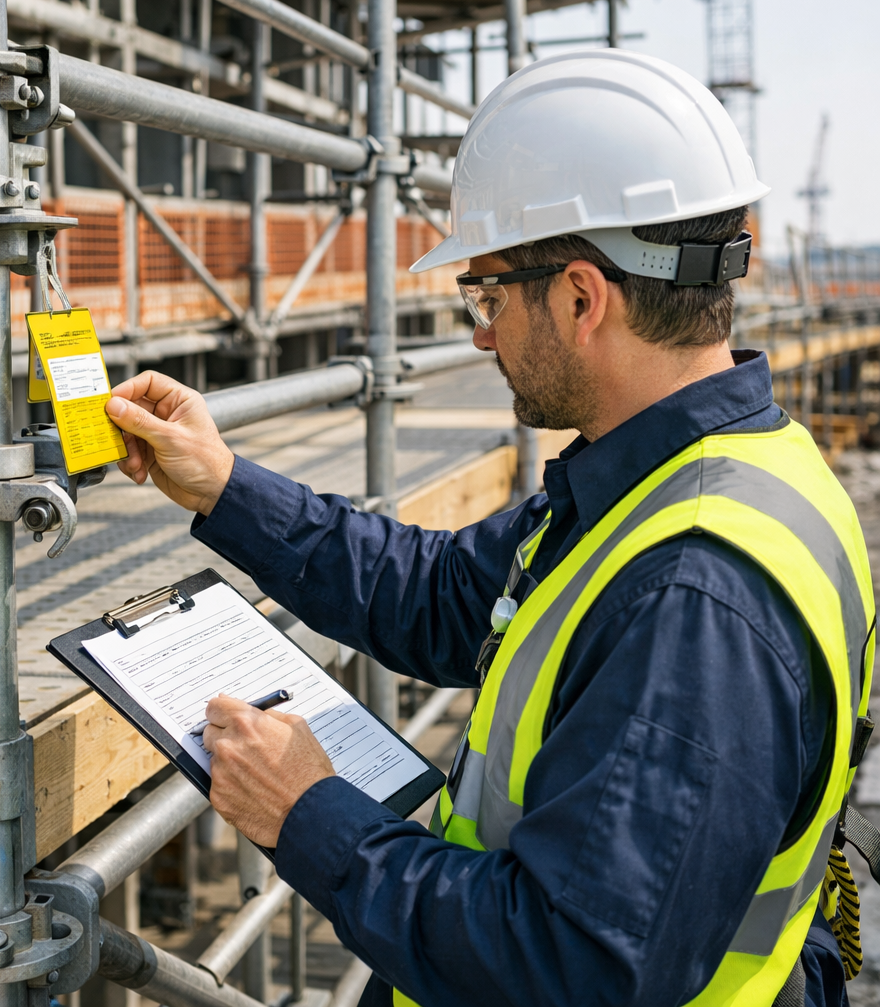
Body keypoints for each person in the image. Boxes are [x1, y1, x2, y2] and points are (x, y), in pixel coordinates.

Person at [105, 51, 875, 1007]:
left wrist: (310, 812)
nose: (479, 335)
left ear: (583, 298)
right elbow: (443, 595)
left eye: (489, 297)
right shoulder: (706, 475)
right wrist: (223, 486)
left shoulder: (693, 593)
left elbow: (569, 967)